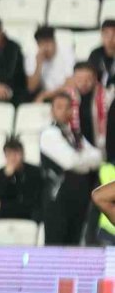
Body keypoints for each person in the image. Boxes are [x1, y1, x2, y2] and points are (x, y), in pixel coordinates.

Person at [40, 91, 102, 245]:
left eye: (67, 107)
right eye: (59, 107)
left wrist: (82, 161)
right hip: (58, 200)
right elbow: (70, 162)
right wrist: (85, 162)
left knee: (73, 246)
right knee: (56, 247)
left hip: (78, 198)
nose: (63, 111)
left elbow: (98, 157)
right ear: (52, 110)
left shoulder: (75, 134)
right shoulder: (49, 134)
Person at [0, 137, 43, 221]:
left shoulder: (34, 172)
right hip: (7, 213)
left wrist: (5, 205)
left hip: (29, 212)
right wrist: (7, 177)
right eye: (9, 154)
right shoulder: (0, 174)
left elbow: (32, 200)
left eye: (16, 153)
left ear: (22, 154)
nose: (13, 158)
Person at [26, 27, 74, 104]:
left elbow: (70, 83)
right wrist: (38, 65)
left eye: (47, 43)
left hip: (64, 94)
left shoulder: (66, 53)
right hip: (45, 95)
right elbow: (31, 88)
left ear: (54, 42)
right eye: (41, 44)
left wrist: (45, 95)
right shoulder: (33, 55)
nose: (45, 48)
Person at [69, 61, 110, 153]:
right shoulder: (67, 98)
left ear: (95, 78)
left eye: (88, 79)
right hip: (78, 150)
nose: (83, 83)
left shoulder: (107, 96)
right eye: (79, 80)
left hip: (103, 147)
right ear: (73, 79)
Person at [89, 20, 115, 90]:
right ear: (102, 35)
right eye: (107, 34)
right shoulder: (95, 54)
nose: (110, 38)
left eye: (114, 35)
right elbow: (90, 75)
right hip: (98, 91)